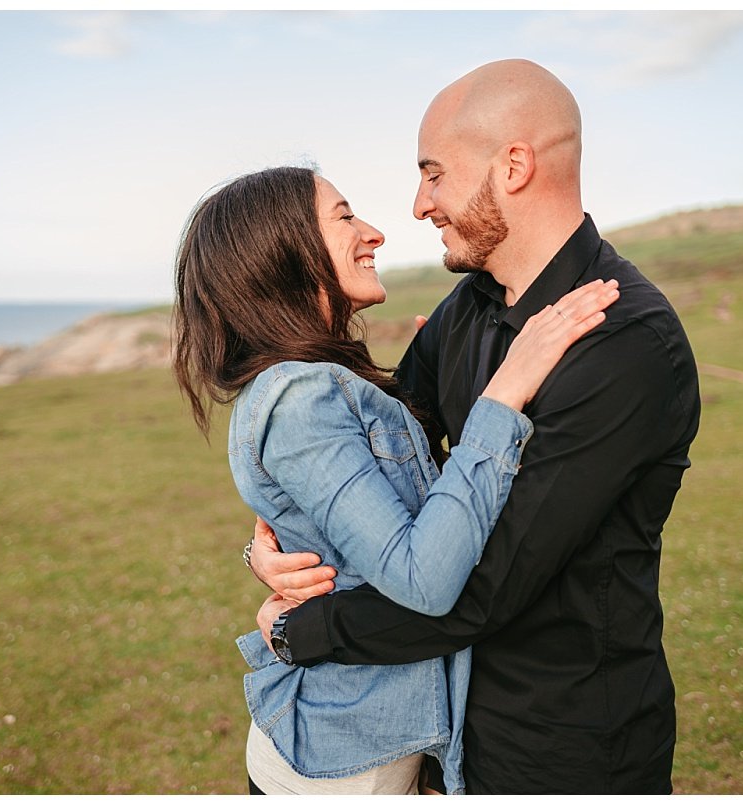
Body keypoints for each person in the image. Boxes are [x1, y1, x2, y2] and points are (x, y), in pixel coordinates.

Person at [249, 59, 702, 794]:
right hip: (438, 727)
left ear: (514, 165)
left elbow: (483, 588)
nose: (419, 204)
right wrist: (271, 549)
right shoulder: (467, 311)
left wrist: (301, 630)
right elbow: (366, 458)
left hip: (561, 741)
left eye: (433, 173)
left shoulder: (626, 344)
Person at [172, 165, 619, 794]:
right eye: (345, 217)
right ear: (283, 252)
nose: (375, 232)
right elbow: (423, 578)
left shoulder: (323, 381)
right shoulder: (300, 397)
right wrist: (507, 389)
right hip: (342, 767)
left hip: (375, 746)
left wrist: (263, 554)